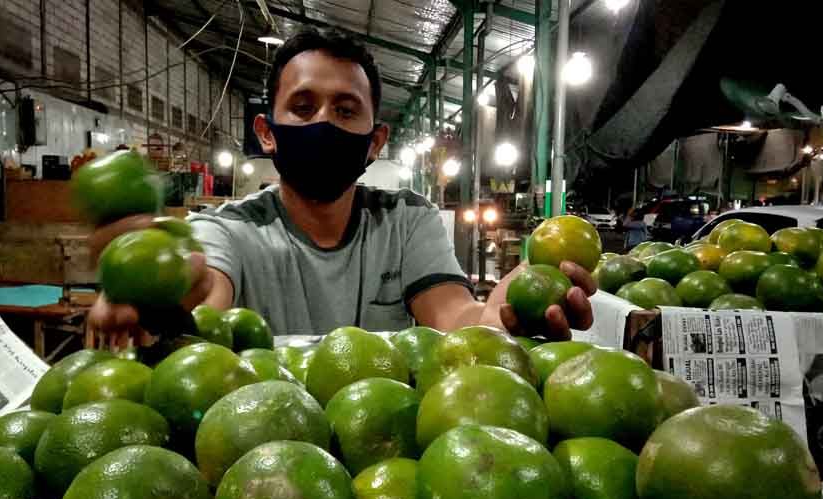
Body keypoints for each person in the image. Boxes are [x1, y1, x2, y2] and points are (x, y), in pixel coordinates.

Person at [89, 28, 594, 340]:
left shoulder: (407, 220)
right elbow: (206, 290)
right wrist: (165, 290)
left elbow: (456, 316)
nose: (323, 123)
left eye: (345, 110)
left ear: (375, 142)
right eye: (303, 107)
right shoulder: (229, 229)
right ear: (267, 133)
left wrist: (500, 312)